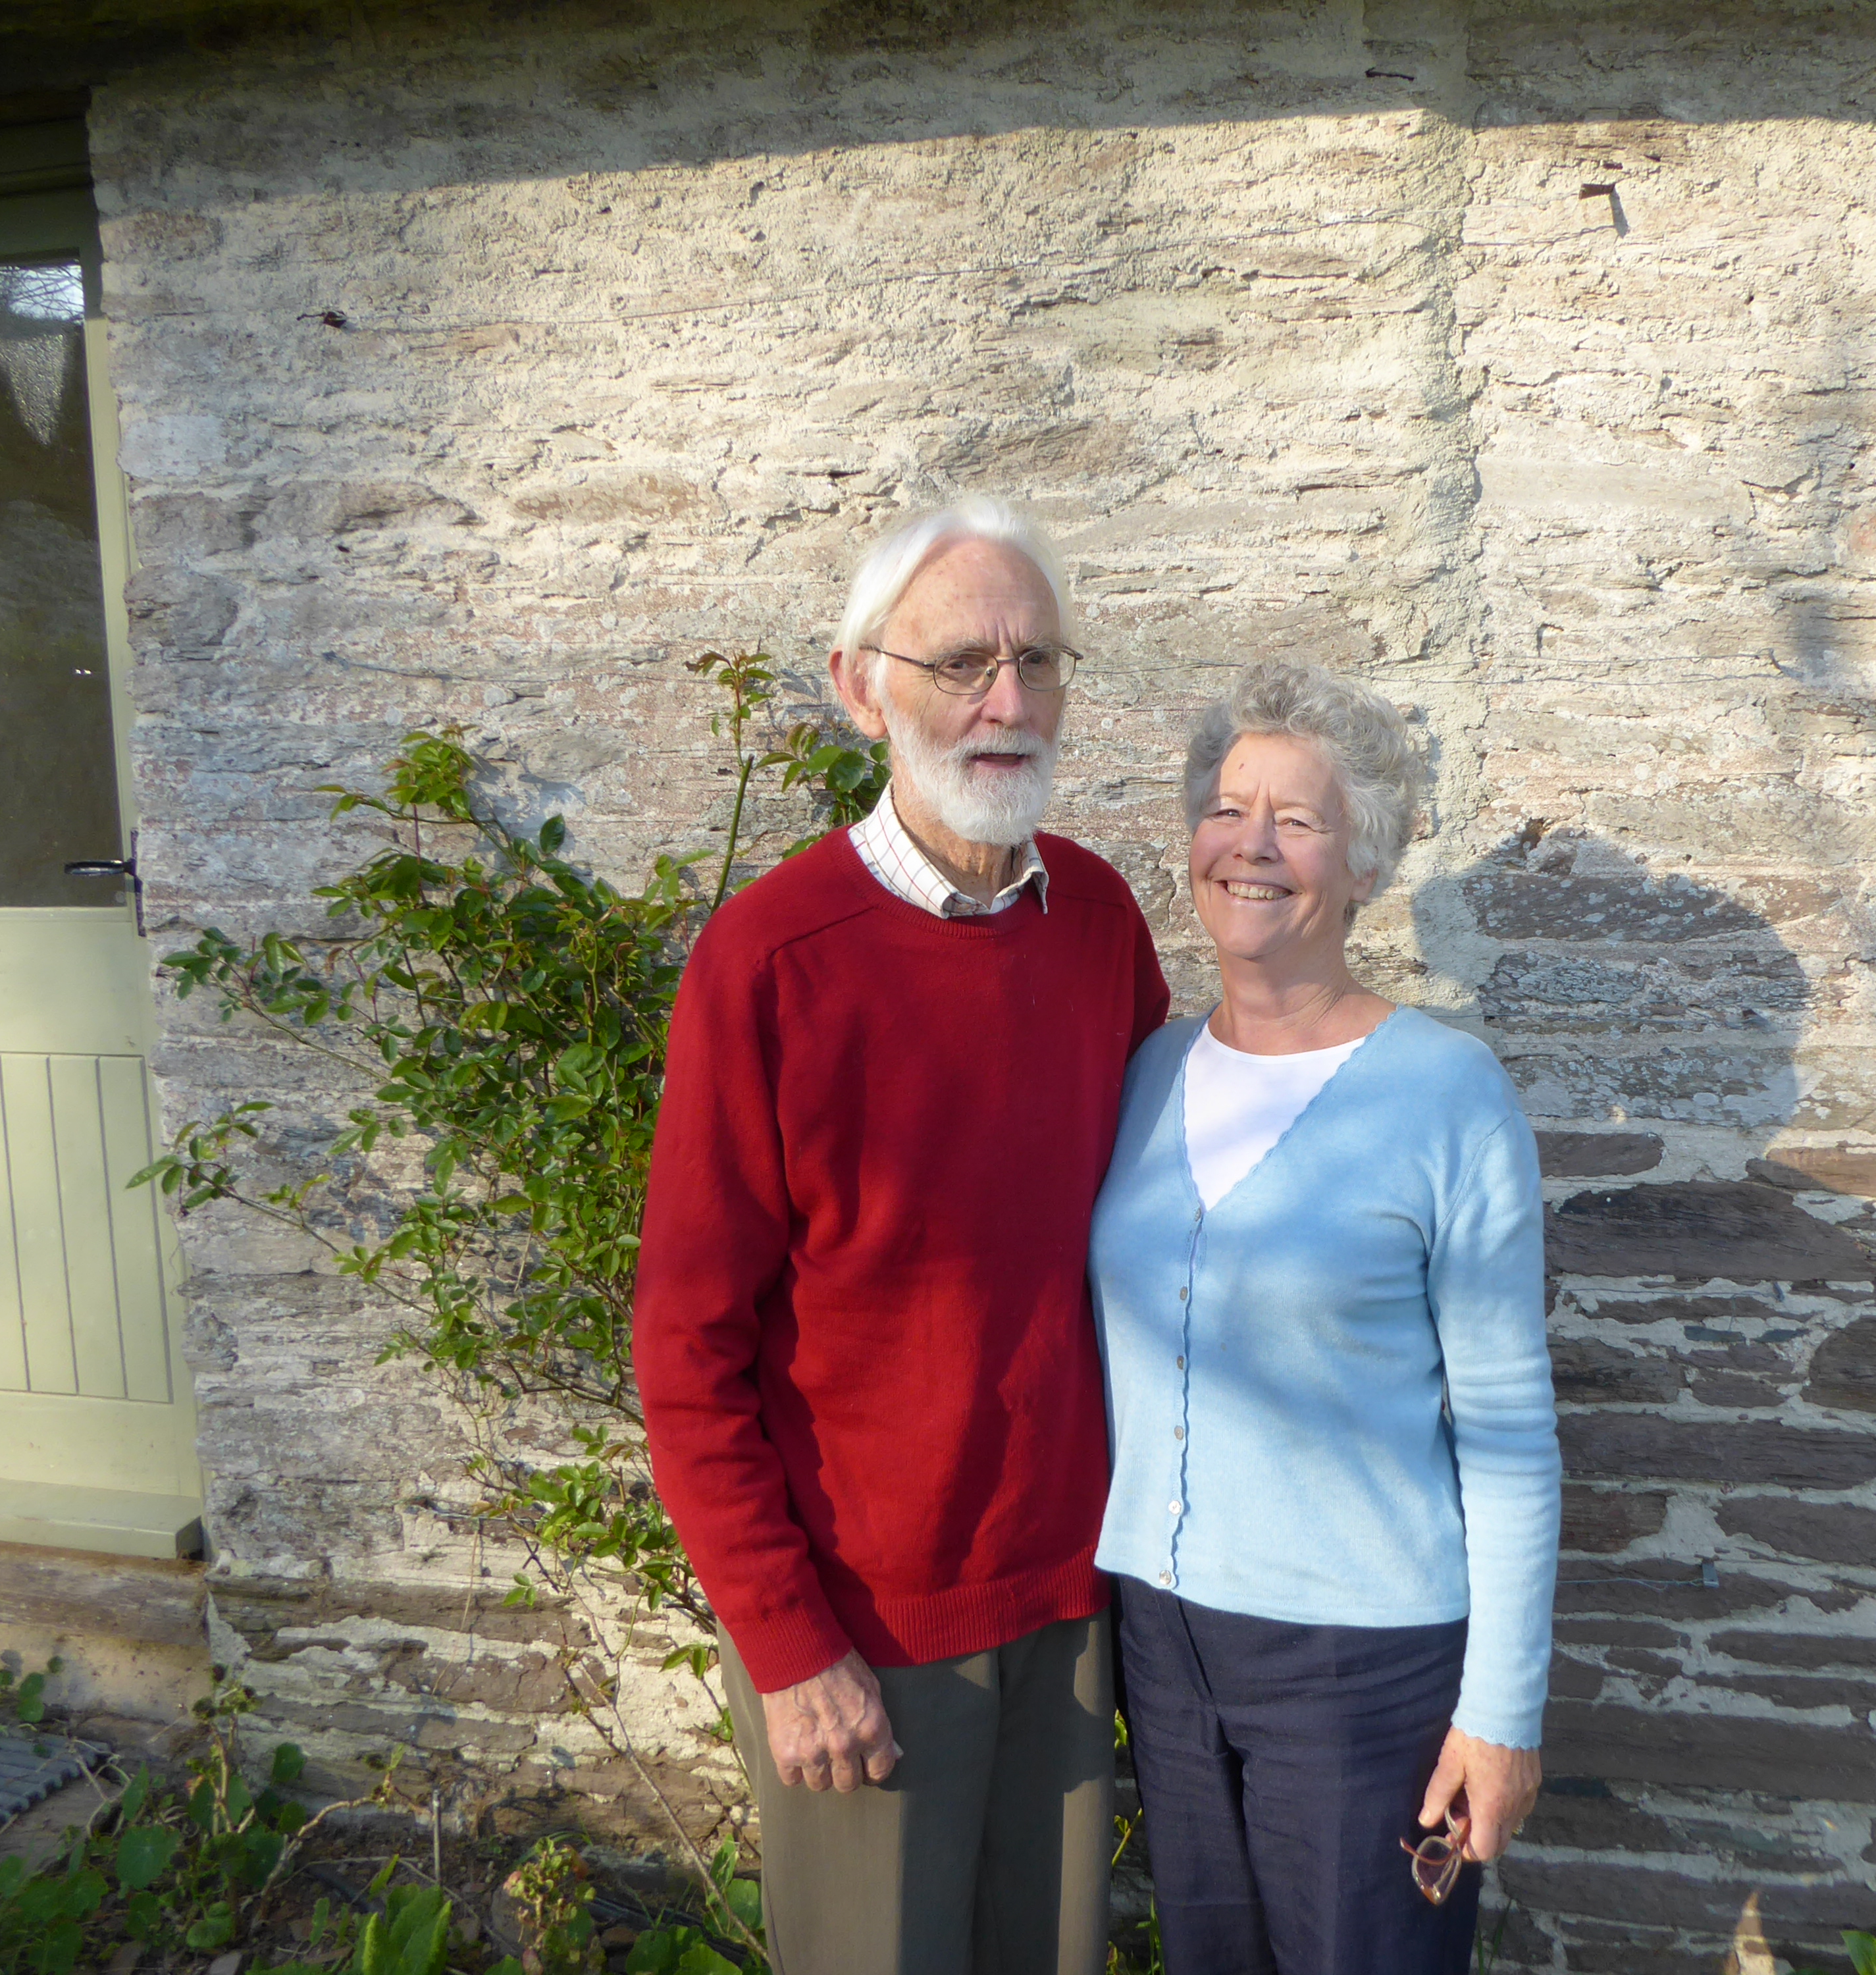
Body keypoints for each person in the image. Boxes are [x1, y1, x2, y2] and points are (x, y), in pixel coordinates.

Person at [632, 498, 1172, 1975]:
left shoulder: (1099, 923)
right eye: (959, 664)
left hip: (1070, 1597)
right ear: (859, 686)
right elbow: (687, 1346)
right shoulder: (769, 963)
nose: (1007, 701)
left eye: (1036, 660)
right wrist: (788, 1643)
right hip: (863, 1626)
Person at [1089, 659, 1563, 1975]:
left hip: (1361, 1667)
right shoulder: (1147, 1072)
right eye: (1226, 810)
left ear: (1363, 864)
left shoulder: (1447, 1097)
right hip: (1163, 1645)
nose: (1250, 846)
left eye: (1295, 821)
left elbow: (1509, 1432)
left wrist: (1501, 1713)